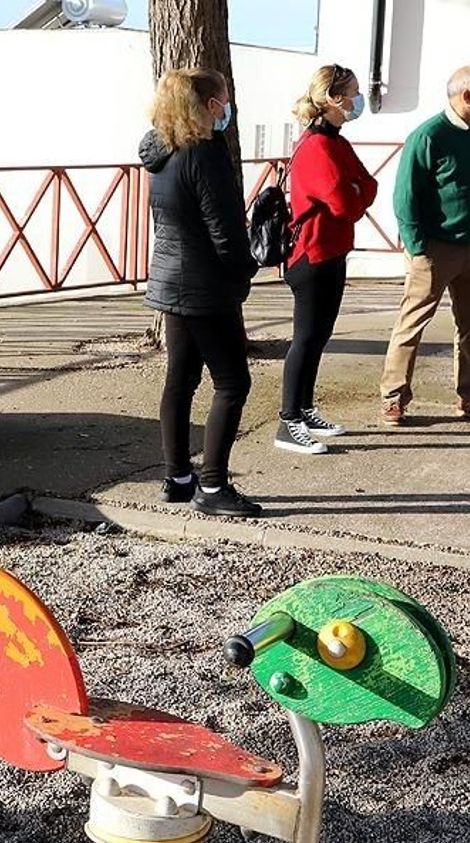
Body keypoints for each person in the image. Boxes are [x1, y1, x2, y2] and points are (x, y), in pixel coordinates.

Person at [139, 67, 261, 517]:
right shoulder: (205, 155)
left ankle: (177, 478)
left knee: (181, 379)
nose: (228, 109)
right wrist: (246, 270)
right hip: (205, 287)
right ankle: (212, 485)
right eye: (225, 100)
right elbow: (225, 231)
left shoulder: (162, 154)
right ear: (210, 105)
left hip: (170, 281)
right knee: (232, 382)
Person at [379, 67, 470, 428]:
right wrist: (418, 247)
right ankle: (393, 396)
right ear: (468, 96)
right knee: (412, 322)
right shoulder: (428, 135)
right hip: (435, 249)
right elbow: (405, 196)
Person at [277, 64, 379, 455]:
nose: (358, 99)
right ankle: (288, 421)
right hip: (312, 254)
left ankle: (304, 409)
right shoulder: (318, 146)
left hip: (333, 250)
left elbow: (368, 185)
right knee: (305, 337)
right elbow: (345, 203)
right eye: (353, 93)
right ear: (335, 99)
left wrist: (355, 190)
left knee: (319, 335)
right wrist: (354, 191)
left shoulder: (337, 141)